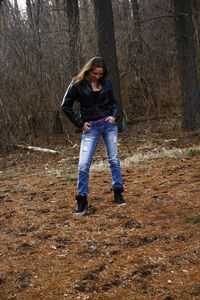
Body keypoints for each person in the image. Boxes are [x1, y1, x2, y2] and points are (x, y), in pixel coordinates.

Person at [61, 57, 126, 214]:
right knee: (83, 165)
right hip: (91, 128)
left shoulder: (106, 83)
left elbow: (114, 103)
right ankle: (82, 200)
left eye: (100, 74)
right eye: (95, 73)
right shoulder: (77, 84)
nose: (97, 76)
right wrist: (80, 123)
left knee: (113, 160)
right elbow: (65, 106)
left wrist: (114, 116)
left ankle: (118, 192)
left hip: (109, 126)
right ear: (89, 70)